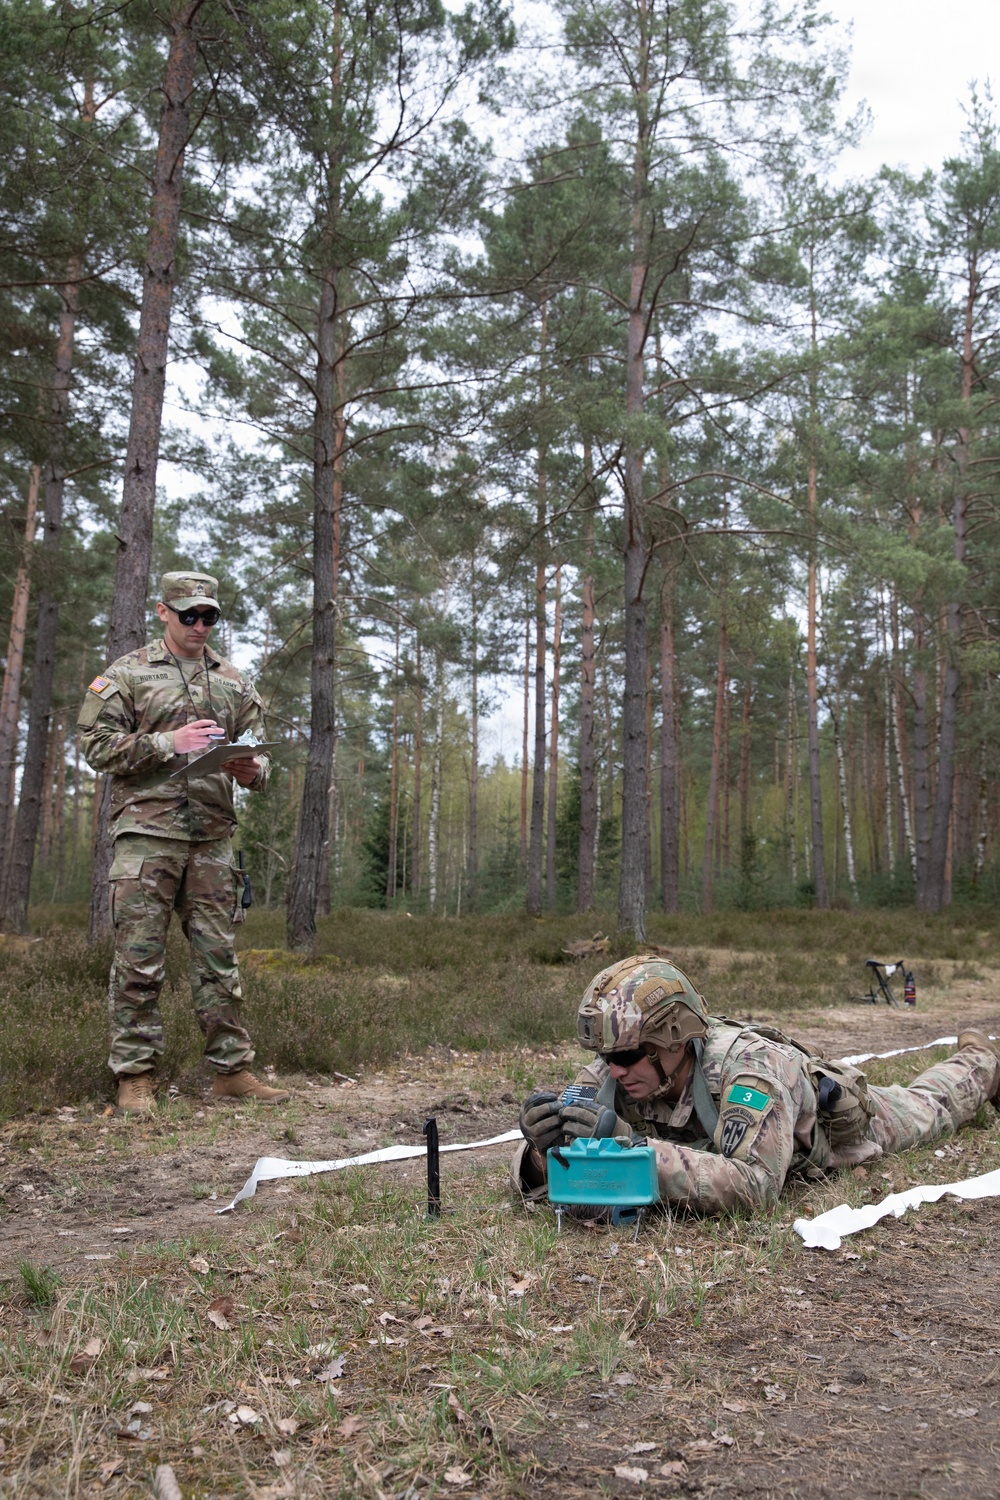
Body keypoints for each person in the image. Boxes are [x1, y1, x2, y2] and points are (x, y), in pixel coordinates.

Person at [513, 953, 1000, 1214]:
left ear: (675, 1039)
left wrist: (626, 1148)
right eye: (604, 1057)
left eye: (626, 1057)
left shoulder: (749, 1070)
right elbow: (559, 1173)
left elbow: (754, 1185)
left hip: (833, 1134)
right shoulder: (615, 1067)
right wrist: (541, 1153)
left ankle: (981, 1060)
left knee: (931, 1104)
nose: (613, 1071)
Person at [78, 571, 289, 1114]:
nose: (199, 625)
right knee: (138, 961)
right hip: (147, 835)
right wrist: (168, 741)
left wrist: (250, 770)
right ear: (163, 611)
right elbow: (95, 747)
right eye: (189, 615)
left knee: (218, 961)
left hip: (212, 838)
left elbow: (262, 760)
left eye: (209, 616)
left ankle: (232, 1072)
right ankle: (134, 1078)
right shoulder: (128, 673)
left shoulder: (234, 682)